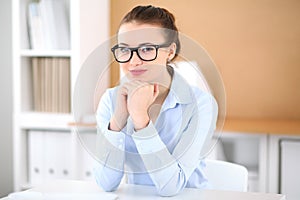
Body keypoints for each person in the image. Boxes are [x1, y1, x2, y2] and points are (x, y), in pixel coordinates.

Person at [94, 5, 218, 196]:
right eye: (125, 50)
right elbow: (105, 183)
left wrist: (140, 119)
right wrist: (118, 118)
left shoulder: (201, 104)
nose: (133, 61)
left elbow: (172, 187)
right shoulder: (111, 100)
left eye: (146, 49)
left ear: (170, 51)